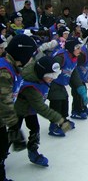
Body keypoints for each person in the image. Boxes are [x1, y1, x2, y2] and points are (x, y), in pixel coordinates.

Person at [14, 56, 72, 167]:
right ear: (42, 73)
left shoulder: (40, 77)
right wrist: (60, 120)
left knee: (35, 128)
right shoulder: (31, 87)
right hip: (19, 109)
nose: (53, 79)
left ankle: (33, 151)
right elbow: (41, 108)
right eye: (50, 76)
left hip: (29, 109)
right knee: (14, 132)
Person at [0, 34, 38, 181]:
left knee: (2, 148)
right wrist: (14, 126)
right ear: (22, 54)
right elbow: (4, 102)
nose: (31, 59)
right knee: (1, 147)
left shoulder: (14, 67)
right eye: (30, 55)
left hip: (3, 119)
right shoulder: (4, 71)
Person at [47, 37, 87, 137]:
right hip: (53, 83)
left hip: (61, 83)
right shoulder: (61, 57)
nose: (80, 50)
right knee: (57, 101)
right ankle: (54, 125)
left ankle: (63, 120)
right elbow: (49, 70)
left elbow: (73, 73)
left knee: (65, 99)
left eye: (80, 48)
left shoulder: (74, 58)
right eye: (77, 48)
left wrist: (80, 87)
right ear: (71, 48)